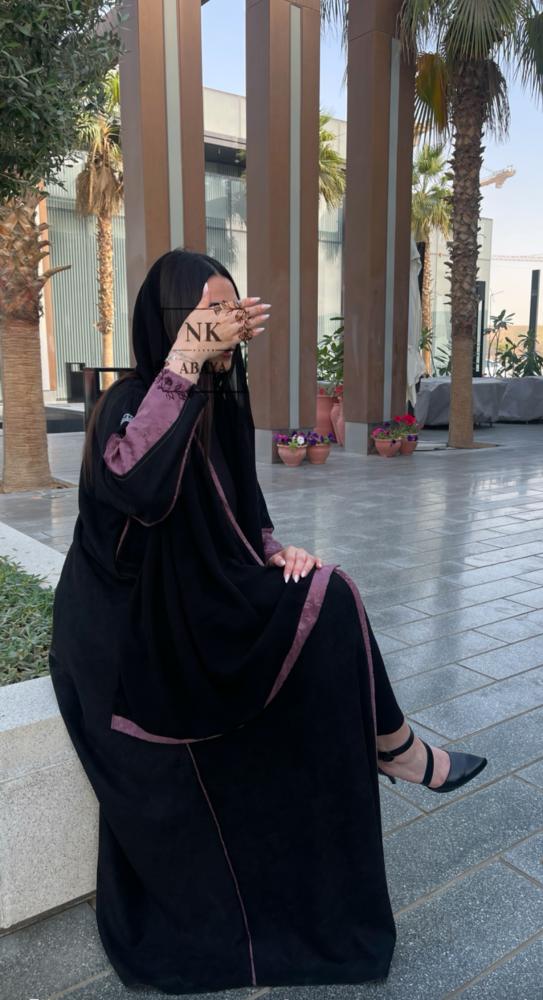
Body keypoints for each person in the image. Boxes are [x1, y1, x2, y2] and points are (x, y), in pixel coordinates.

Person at [48, 249, 487, 996]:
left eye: (232, 312)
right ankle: (397, 750)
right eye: (207, 313)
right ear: (172, 323)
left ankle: (391, 750)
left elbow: (241, 508)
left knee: (327, 594)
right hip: (131, 634)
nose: (227, 327)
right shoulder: (132, 401)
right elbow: (138, 490)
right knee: (330, 605)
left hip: (198, 599)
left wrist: (275, 550)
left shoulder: (218, 402)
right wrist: (187, 360)